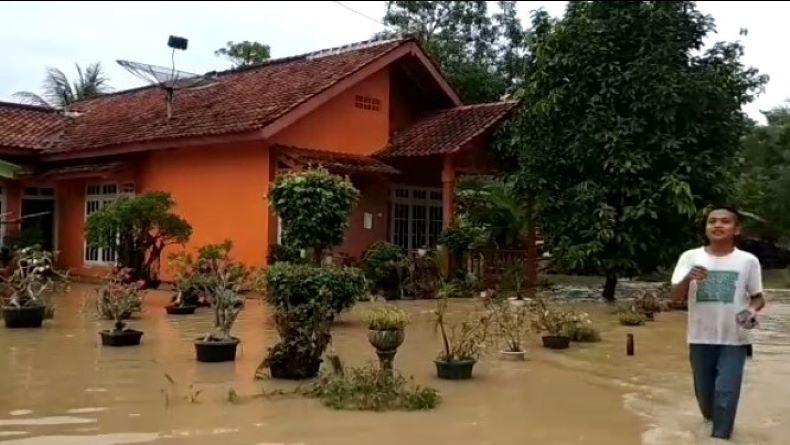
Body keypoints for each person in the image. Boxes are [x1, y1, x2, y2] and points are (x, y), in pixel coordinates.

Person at [670, 207, 766, 440]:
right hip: (699, 338)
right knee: (706, 399)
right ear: (706, 227)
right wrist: (688, 277)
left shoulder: (748, 261)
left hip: (734, 340)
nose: (717, 225)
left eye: (725, 221)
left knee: (726, 396)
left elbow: (758, 297)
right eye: (712, 221)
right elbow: (675, 297)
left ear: (737, 229)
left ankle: (720, 438)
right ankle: (710, 427)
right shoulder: (690, 257)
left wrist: (751, 311)